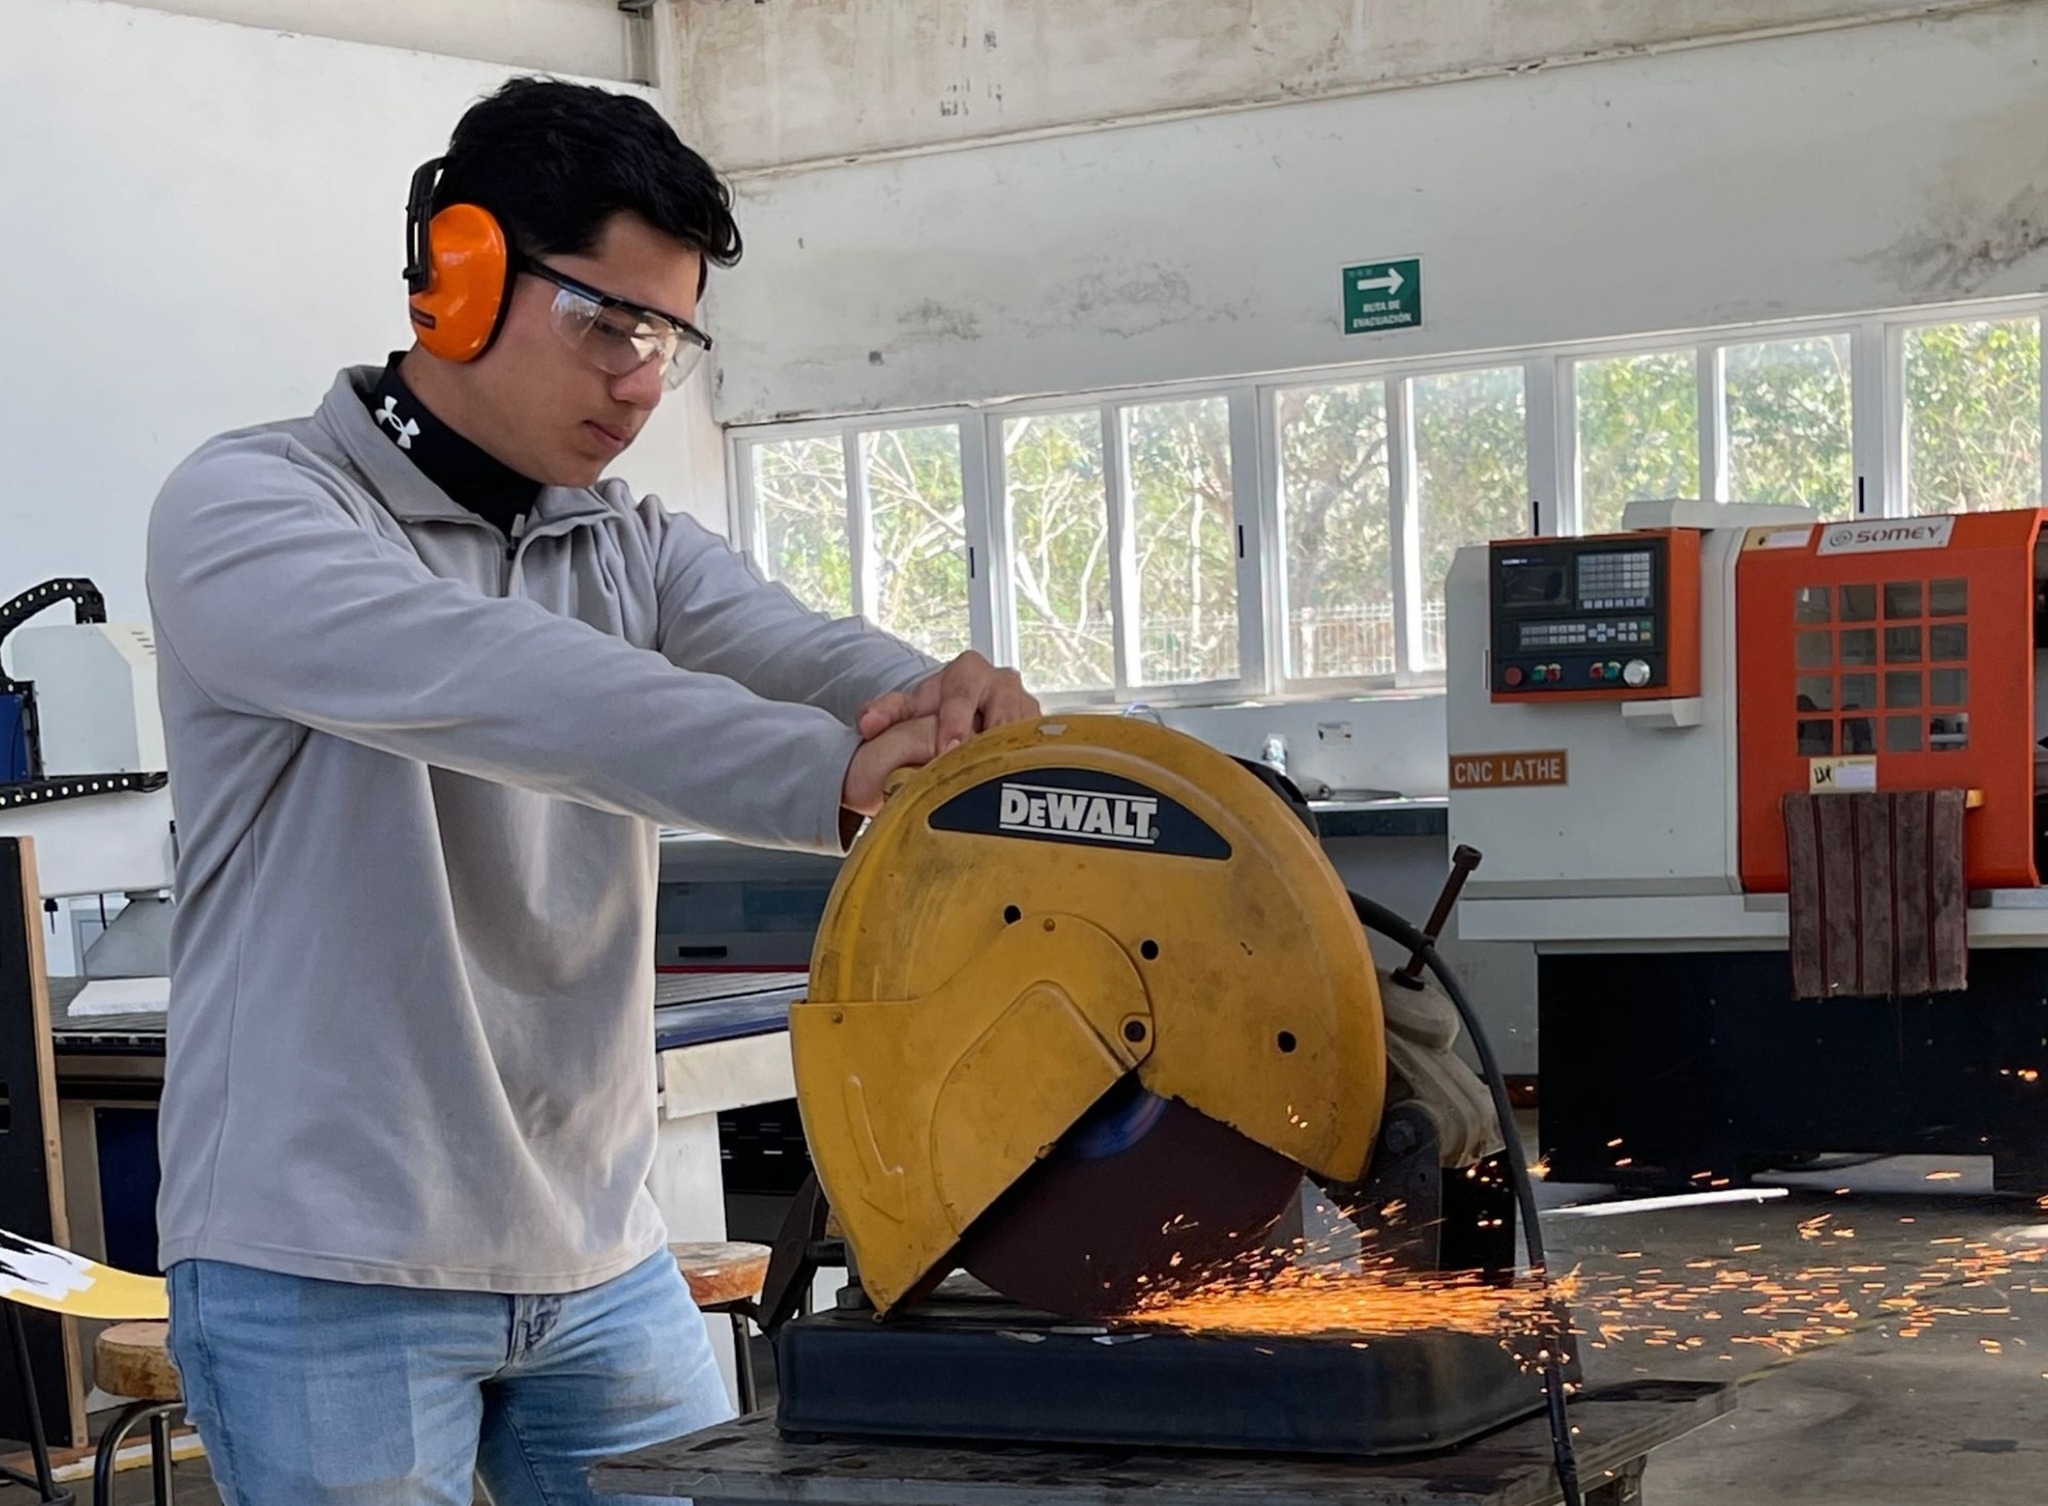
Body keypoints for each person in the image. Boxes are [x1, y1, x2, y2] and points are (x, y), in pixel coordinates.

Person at [144, 76, 1037, 1504]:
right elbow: (510, 685)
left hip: (599, 1254)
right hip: (328, 1262)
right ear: (460, 276)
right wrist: (831, 774)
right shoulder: (252, 512)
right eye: (609, 323)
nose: (639, 380)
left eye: (668, 339)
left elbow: (796, 647)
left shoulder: (631, 545)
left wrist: (944, 710)